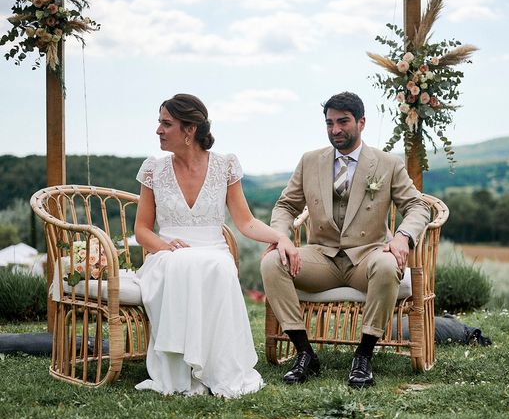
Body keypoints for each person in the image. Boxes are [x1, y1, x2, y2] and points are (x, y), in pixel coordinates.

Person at [260, 91, 430, 388]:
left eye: (343, 122)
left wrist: (403, 237)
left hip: (367, 258)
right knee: (273, 262)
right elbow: (286, 205)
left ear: (361, 122)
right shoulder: (310, 161)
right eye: (329, 123)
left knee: (389, 265)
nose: (335, 130)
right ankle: (304, 353)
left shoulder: (387, 163)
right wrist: (281, 237)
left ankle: (363, 356)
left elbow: (417, 206)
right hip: (321, 258)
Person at [134, 93, 299, 397]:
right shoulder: (153, 169)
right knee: (180, 264)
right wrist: (163, 247)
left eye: (165, 123)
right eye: (159, 122)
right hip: (167, 254)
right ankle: (179, 370)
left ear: (189, 130)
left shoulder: (225, 166)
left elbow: (246, 222)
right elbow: (142, 229)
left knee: (218, 267)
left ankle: (217, 368)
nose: (158, 129)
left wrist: (281, 237)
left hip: (213, 250)